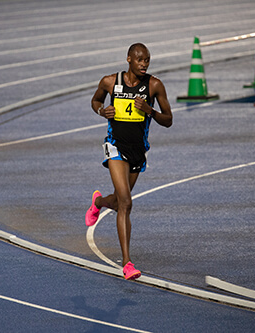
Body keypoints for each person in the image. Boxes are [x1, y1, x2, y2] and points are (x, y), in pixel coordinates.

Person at [86, 43, 172, 280]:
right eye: (140, 59)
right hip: (114, 146)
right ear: (129, 60)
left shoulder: (154, 85)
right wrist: (102, 111)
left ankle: (99, 201)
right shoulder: (110, 82)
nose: (144, 64)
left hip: (138, 151)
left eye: (147, 60)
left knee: (119, 202)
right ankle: (127, 263)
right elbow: (95, 102)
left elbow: (168, 120)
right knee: (126, 202)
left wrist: (150, 111)